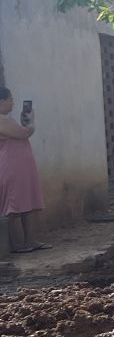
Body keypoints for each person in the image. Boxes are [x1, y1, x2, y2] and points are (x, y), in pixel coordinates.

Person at [0, 88, 46, 253]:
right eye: (10, 99)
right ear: (2, 101)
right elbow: (23, 133)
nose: (12, 102)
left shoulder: (7, 119)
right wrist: (31, 124)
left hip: (20, 167)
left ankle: (30, 241)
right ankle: (14, 244)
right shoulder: (1, 120)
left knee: (26, 203)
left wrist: (24, 121)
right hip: (11, 168)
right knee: (11, 206)